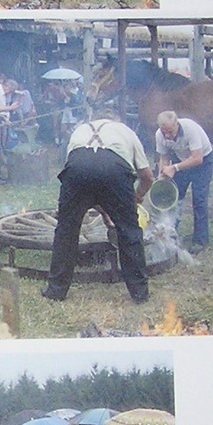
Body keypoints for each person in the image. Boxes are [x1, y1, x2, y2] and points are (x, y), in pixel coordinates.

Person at [43, 109, 154, 304]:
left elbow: (88, 182)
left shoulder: (80, 129)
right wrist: (136, 198)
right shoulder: (125, 130)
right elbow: (147, 177)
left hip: (78, 168)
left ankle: (56, 290)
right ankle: (139, 293)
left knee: (66, 231)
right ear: (116, 119)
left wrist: (106, 209)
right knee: (129, 231)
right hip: (114, 169)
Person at [154, 109, 213, 253]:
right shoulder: (159, 135)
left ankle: (200, 240)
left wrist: (174, 168)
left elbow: (197, 158)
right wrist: (162, 175)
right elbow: (164, 157)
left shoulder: (190, 129)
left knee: (199, 199)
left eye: (170, 132)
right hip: (180, 160)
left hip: (202, 161)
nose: (168, 136)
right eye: (165, 133)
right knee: (175, 198)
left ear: (177, 124)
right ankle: (170, 234)